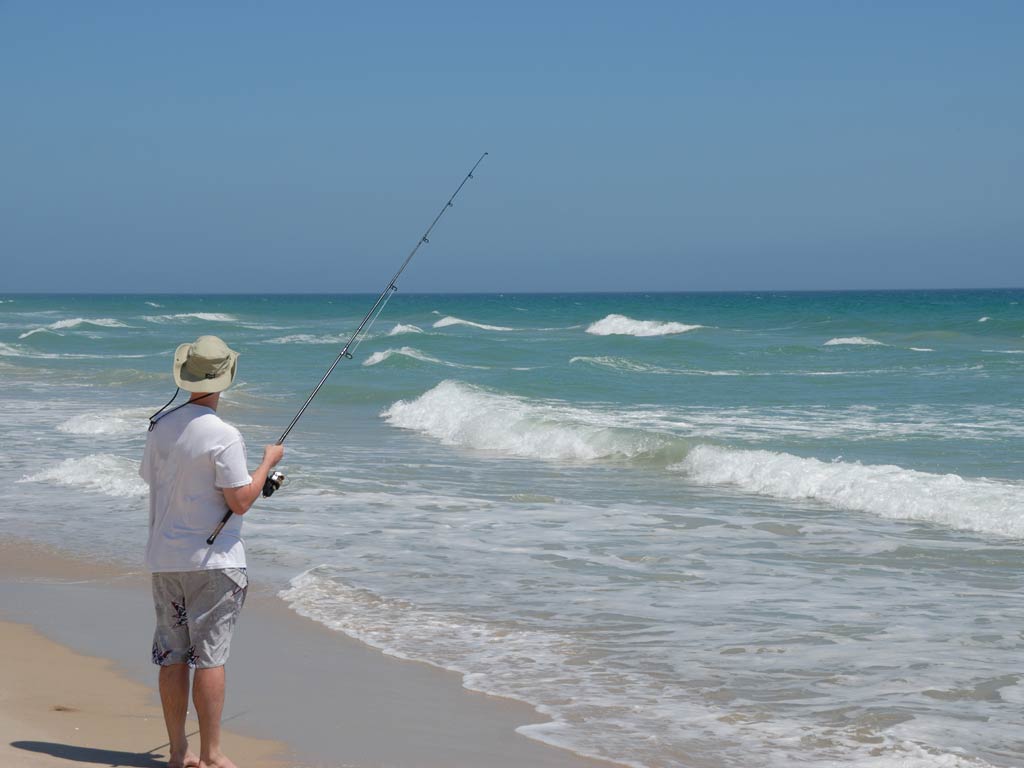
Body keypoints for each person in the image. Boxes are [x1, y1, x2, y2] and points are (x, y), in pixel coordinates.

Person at [141, 335, 284, 768]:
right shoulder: (225, 435)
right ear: (227, 378)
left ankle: (178, 752)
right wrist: (267, 464)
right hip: (214, 564)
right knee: (210, 659)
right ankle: (212, 754)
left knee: (173, 655)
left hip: (165, 561)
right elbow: (240, 500)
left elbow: (155, 480)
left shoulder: (160, 425)